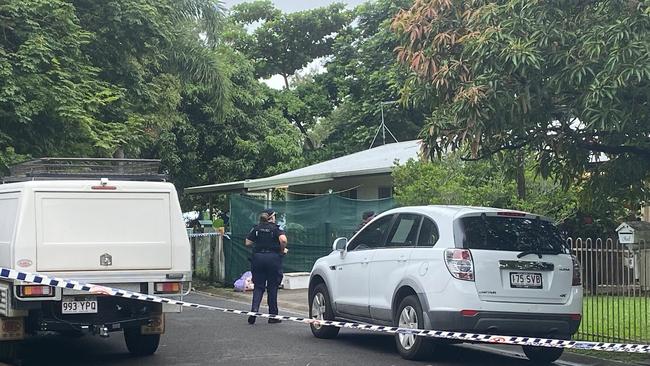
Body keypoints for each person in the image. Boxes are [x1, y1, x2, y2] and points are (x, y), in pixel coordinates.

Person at [245, 208, 288, 324]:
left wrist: (259, 243)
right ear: (272, 217)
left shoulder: (256, 228)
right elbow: (283, 240)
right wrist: (282, 250)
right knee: (272, 287)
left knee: (258, 287)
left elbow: (247, 242)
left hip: (258, 258)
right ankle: (273, 316)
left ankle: (254, 311)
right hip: (273, 259)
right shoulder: (276, 228)